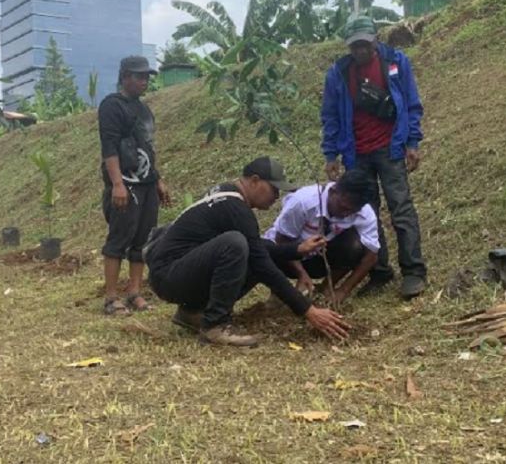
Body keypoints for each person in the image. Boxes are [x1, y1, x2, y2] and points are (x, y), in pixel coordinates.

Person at [146, 157, 350, 347]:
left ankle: (193, 312)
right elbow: (261, 263)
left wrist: (297, 250)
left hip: (174, 272)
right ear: (254, 181)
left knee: (250, 247)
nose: (276, 197)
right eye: (274, 189)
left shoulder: (227, 195)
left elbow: (259, 248)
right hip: (169, 275)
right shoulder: (236, 208)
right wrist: (308, 310)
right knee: (235, 244)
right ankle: (215, 325)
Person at [321, 15, 427, 299]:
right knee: (365, 214)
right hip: (356, 154)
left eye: (365, 45)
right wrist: (331, 153)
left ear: (375, 39)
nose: (360, 51)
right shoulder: (338, 74)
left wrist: (412, 142)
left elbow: (412, 103)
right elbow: (330, 115)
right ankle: (380, 271)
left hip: (390, 148)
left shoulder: (395, 63)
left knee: (401, 209)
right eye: (354, 47)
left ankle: (414, 272)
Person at [97, 55, 171, 315]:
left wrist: (158, 179)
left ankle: (134, 292)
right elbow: (109, 146)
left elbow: (148, 148)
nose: (144, 81)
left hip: (146, 183)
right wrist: (117, 184)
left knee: (143, 238)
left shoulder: (144, 109)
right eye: (139, 76)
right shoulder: (111, 106)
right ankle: (110, 297)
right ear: (125, 76)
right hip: (125, 183)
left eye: (147, 77)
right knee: (119, 238)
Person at [264, 169, 379, 304]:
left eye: (352, 211)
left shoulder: (364, 213)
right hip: (288, 257)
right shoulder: (302, 201)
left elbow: (371, 256)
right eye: (343, 208)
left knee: (354, 245)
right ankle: (279, 293)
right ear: (333, 191)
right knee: (268, 250)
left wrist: (343, 290)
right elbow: (281, 240)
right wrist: (301, 274)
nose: (346, 214)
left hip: (320, 259)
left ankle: (325, 288)